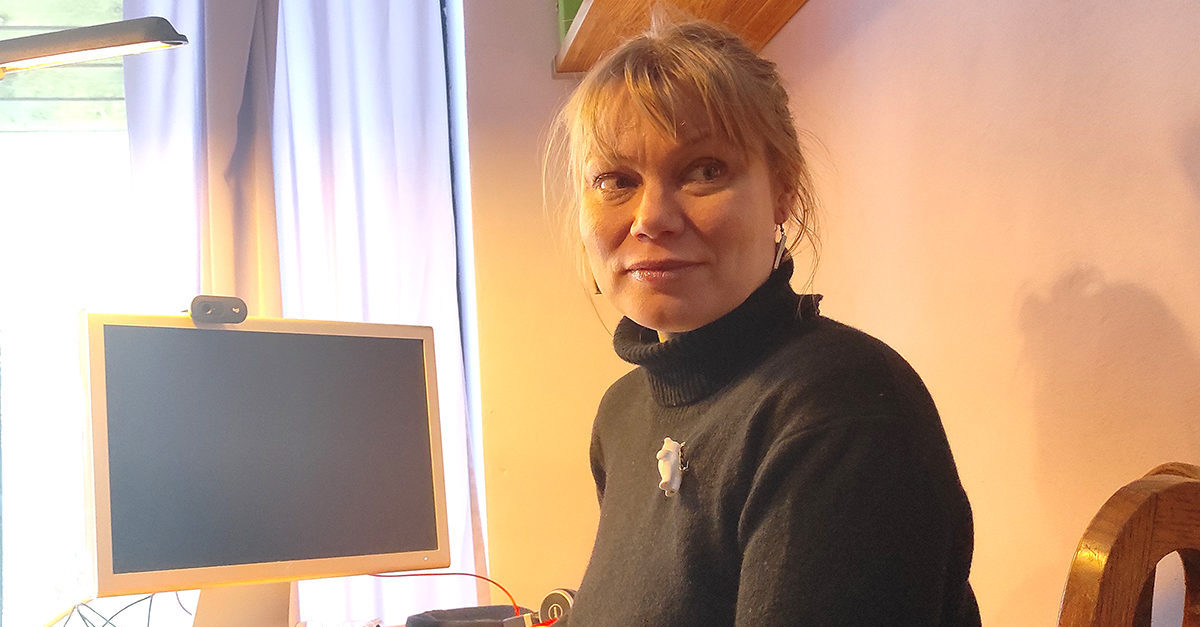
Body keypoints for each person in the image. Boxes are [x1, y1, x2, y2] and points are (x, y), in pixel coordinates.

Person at [547, 18, 980, 627]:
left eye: (704, 170)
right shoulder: (622, 414)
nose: (652, 217)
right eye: (616, 180)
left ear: (783, 190)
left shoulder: (841, 409)